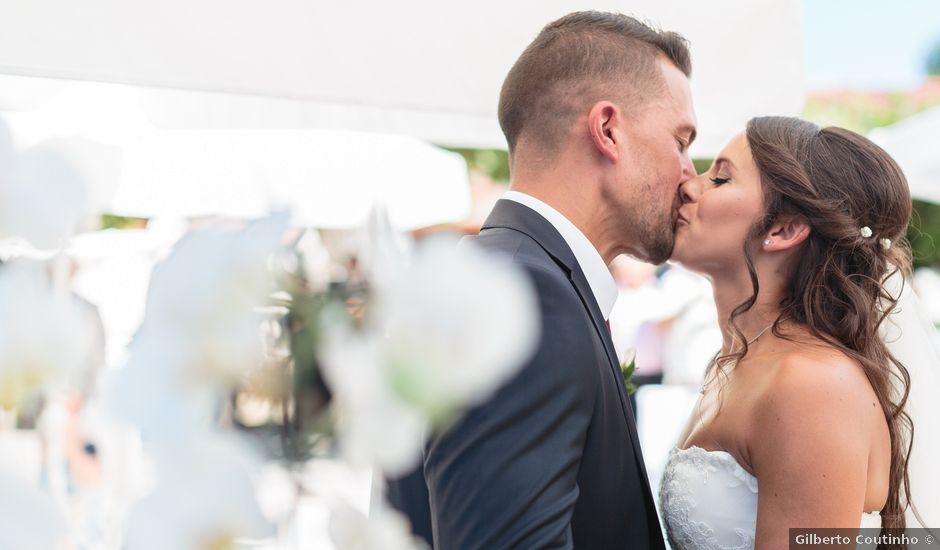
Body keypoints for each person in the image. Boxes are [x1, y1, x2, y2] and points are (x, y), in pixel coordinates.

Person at [387, 10, 696, 549]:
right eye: (682, 140)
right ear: (608, 131)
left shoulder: (498, 274)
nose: (690, 176)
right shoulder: (528, 300)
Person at [661, 116, 926, 549]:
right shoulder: (737, 362)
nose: (688, 184)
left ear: (783, 229)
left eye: (721, 178)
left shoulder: (812, 384)